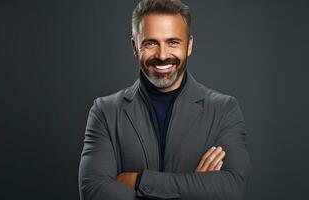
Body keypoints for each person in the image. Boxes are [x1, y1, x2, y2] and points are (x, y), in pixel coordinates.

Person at [78, 0, 251, 199]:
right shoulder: (105, 111)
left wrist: (140, 180)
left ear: (189, 45)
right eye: (150, 43)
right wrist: (194, 189)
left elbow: (232, 189)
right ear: (135, 47)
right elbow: (94, 191)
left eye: (173, 42)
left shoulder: (224, 110)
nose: (162, 55)